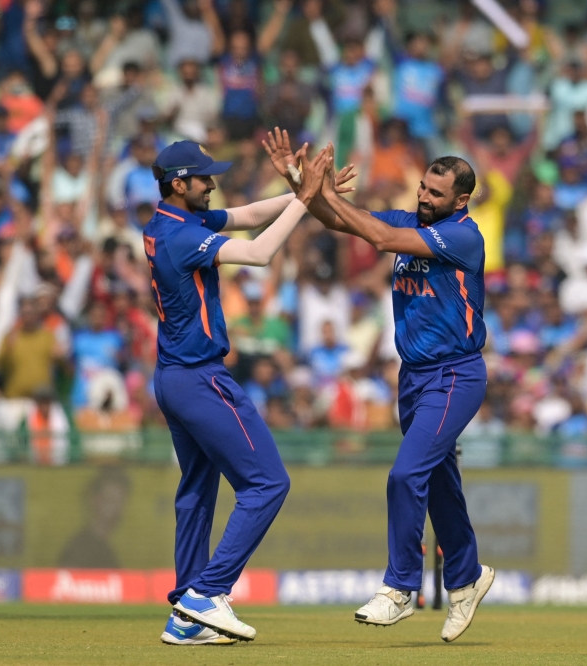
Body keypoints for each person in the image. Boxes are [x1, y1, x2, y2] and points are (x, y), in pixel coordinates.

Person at [146, 132, 343, 646]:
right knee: (267, 484)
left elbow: (251, 214)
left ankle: (187, 618)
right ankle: (207, 594)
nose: (212, 185)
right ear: (178, 183)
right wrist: (305, 200)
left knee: (195, 492)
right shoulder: (183, 236)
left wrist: (309, 188)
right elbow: (257, 252)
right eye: (204, 178)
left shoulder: (170, 222)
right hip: (198, 377)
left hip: (172, 376)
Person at [301, 143, 493, 642]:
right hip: (413, 379)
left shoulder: (461, 236)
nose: (425, 197)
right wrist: (305, 184)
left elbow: (381, 238)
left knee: (406, 475)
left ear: (462, 200)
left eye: (437, 192)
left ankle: (400, 588)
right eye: (424, 187)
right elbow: (337, 220)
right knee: (441, 488)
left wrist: (326, 195)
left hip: (454, 374)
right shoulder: (413, 219)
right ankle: (468, 579)